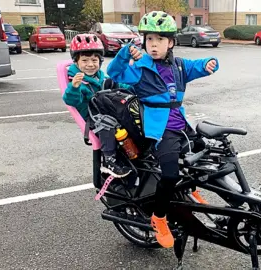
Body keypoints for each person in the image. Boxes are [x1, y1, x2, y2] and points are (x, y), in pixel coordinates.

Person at [107, 11, 219, 248]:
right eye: (149, 40)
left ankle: (191, 191)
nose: (153, 45)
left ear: (170, 43)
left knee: (204, 156)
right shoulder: (140, 67)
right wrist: (124, 53)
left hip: (181, 124)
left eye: (159, 40)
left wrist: (211, 63)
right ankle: (159, 217)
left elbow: (199, 66)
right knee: (170, 175)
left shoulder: (179, 65)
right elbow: (114, 73)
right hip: (161, 131)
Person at [62, 33, 133, 179]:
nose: (90, 64)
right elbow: (70, 100)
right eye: (85, 60)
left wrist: (134, 88)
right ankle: (109, 160)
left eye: (94, 60)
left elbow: (118, 86)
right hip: (92, 117)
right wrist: (74, 87)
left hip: (108, 110)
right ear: (76, 62)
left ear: (100, 61)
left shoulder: (101, 77)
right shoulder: (78, 81)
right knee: (107, 123)